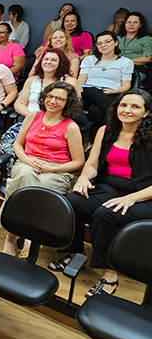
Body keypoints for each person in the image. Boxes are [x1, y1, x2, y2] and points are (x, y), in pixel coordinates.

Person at [59, 89, 152, 298]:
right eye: (123, 105)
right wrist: (83, 177)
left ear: (146, 113)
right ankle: (75, 253)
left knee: (105, 214)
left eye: (135, 106)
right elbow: (92, 163)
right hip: (110, 185)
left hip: (143, 194)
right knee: (72, 201)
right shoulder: (106, 130)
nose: (127, 110)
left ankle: (109, 275)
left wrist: (131, 198)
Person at [0, 81, 84, 257]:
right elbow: (18, 144)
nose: (53, 101)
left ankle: (24, 236)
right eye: (50, 96)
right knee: (24, 175)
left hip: (56, 168)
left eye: (60, 99)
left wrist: (51, 169)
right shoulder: (33, 117)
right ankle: (16, 238)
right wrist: (27, 160)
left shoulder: (71, 126)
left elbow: (78, 162)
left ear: (68, 102)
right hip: (28, 162)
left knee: (39, 185)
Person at [0, 48, 79, 188]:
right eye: (46, 59)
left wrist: (43, 119)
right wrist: (33, 118)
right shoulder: (32, 80)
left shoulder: (69, 81)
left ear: (61, 63)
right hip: (30, 119)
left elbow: (72, 106)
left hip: (56, 123)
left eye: (53, 60)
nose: (48, 62)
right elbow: (19, 103)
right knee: (8, 139)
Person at [78, 30, 134, 132]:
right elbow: (81, 79)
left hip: (111, 93)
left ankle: (94, 141)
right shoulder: (90, 59)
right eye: (99, 43)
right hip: (89, 93)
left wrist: (111, 91)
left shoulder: (126, 62)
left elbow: (126, 86)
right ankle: (114, 114)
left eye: (107, 41)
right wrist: (78, 89)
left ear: (116, 42)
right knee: (92, 90)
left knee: (96, 110)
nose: (103, 45)